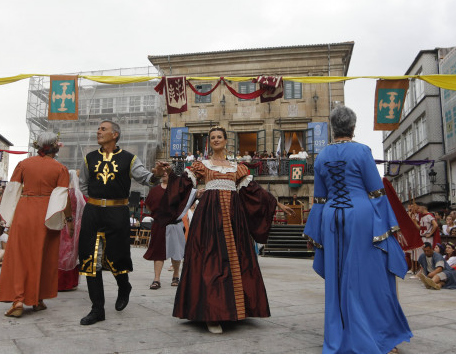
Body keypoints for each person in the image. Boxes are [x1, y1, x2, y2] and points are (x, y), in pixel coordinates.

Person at [160, 126, 294, 335]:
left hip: (233, 218)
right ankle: (212, 313)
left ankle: (237, 308)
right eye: (212, 137)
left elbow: (253, 191)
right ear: (209, 142)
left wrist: (275, 203)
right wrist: (169, 173)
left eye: (219, 137)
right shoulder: (201, 165)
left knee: (235, 259)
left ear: (225, 140)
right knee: (211, 260)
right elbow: (184, 184)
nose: (215, 140)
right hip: (208, 218)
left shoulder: (236, 167)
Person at [304, 106, 411, 353]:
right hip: (361, 215)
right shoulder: (362, 151)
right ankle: (376, 335)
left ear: (332, 128)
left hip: (331, 215)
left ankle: (341, 331)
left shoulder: (321, 157)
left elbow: (319, 199)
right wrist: (391, 226)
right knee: (369, 276)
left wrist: (313, 231)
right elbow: (376, 192)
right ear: (353, 127)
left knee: (338, 275)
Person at [77, 121, 167, 326]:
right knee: (90, 260)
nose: (98, 132)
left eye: (103, 129)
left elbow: (147, 179)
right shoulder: (89, 158)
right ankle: (97, 309)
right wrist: (97, 200)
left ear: (115, 134)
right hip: (93, 212)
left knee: (117, 257)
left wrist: (157, 174)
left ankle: (124, 286)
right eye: (98, 129)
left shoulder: (129, 158)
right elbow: (82, 185)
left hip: (118, 212)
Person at [0, 131, 73, 318]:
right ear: (55, 147)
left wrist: (8, 214)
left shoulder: (24, 164)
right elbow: (64, 197)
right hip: (47, 213)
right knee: (43, 256)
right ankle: (37, 299)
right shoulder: (60, 169)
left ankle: (18, 299)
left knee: (20, 256)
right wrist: (69, 220)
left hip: (25, 210)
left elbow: (11, 191)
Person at [143, 171, 184, 290]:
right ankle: (156, 279)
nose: (164, 174)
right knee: (158, 252)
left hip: (174, 224)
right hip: (159, 224)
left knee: (176, 252)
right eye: (163, 172)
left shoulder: (178, 189)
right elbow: (149, 206)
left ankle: (176, 276)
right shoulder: (154, 190)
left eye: (167, 172)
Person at [58, 170, 86, 291]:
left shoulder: (64, 192)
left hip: (64, 223)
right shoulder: (79, 194)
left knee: (62, 252)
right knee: (72, 252)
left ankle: (60, 281)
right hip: (77, 223)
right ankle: (71, 281)